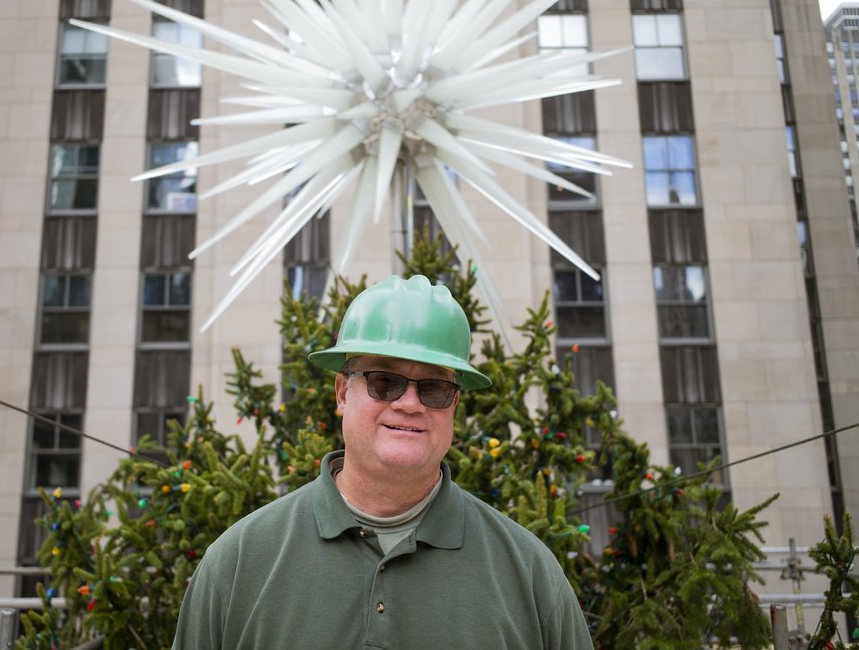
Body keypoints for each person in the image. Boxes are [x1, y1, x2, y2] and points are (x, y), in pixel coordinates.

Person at [172, 275, 594, 649]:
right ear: (341, 393)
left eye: (433, 388)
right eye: (385, 382)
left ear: (453, 406)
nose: (409, 404)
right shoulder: (240, 562)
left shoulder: (529, 573)